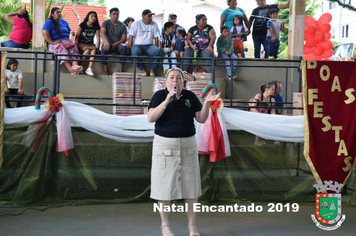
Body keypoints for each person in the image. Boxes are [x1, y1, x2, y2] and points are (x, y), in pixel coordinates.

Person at [147, 67, 220, 236]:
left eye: (178, 78)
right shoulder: (159, 95)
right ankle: (165, 226)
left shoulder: (190, 96)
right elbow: (151, 118)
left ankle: (192, 226)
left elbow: (201, 119)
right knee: (164, 187)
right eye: (172, 78)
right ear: (166, 81)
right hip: (164, 147)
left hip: (188, 146)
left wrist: (208, 102)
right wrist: (166, 101)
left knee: (191, 187)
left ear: (183, 81)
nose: (175, 81)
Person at [42, 7, 83, 74]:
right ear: (52, 14)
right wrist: (52, 42)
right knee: (61, 48)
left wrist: (71, 33)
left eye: (60, 12)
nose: (60, 14)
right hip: (55, 43)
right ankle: (71, 69)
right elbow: (44, 32)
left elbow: (70, 31)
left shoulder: (64, 22)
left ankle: (75, 66)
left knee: (74, 47)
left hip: (66, 42)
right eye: (57, 12)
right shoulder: (49, 22)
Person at [128, 9, 161, 77]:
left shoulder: (154, 24)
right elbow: (131, 37)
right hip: (137, 46)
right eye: (149, 16)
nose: (151, 18)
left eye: (151, 16)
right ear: (143, 17)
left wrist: (156, 47)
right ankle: (142, 69)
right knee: (134, 52)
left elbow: (156, 38)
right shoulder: (136, 23)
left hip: (149, 46)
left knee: (157, 51)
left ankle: (152, 69)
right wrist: (129, 49)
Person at [100, 8, 128, 75]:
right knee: (103, 47)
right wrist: (106, 42)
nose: (115, 15)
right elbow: (102, 33)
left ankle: (121, 68)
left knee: (124, 47)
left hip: (118, 45)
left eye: (117, 14)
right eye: (113, 14)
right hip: (108, 44)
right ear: (110, 15)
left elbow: (124, 39)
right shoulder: (106, 23)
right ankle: (105, 68)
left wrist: (116, 44)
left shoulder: (123, 25)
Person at [75, 11, 101, 76]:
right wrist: (76, 46)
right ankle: (81, 66)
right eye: (92, 16)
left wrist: (97, 48)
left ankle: (89, 68)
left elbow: (98, 37)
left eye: (95, 16)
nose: (93, 18)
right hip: (82, 43)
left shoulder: (96, 26)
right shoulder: (83, 24)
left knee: (93, 49)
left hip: (90, 44)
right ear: (88, 17)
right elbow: (77, 36)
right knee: (87, 50)